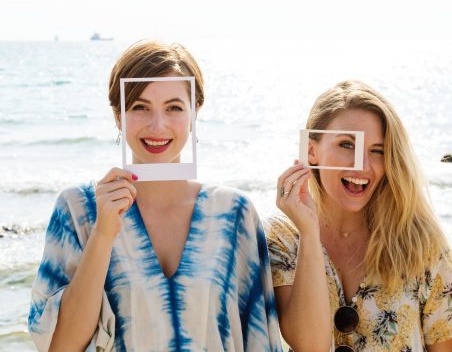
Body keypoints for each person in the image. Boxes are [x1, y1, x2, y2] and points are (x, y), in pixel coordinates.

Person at [28, 40, 282, 352]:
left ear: (195, 113)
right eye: (140, 107)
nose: (157, 125)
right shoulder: (78, 208)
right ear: (118, 115)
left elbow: (260, 341)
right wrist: (103, 233)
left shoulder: (234, 213)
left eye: (174, 107)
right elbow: (61, 346)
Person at [267, 80, 452, 351]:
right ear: (311, 151)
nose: (363, 165)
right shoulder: (282, 238)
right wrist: (308, 231)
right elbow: (311, 346)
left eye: (377, 151)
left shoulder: (421, 243)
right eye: (346, 145)